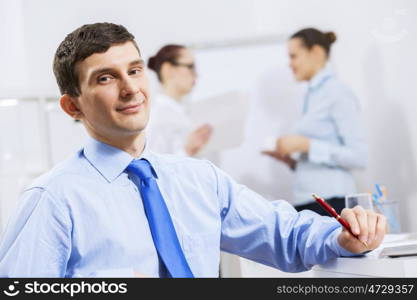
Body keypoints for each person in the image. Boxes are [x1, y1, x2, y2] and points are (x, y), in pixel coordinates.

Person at [0, 23, 384, 278]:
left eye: (134, 70)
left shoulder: (199, 180)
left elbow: (286, 236)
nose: (130, 88)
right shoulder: (52, 200)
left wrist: (340, 237)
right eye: (106, 78)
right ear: (73, 106)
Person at [263, 28, 367, 216]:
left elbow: (359, 156)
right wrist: (292, 161)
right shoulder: (310, 96)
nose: (290, 64)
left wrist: (307, 145)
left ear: (316, 52)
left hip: (332, 202)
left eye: (294, 56)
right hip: (308, 202)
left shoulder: (337, 93)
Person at [146, 45, 212, 156]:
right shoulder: (159, 117)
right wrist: (188, 150)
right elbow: (153, 168)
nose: (196, 74)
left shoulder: (176, 113)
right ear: (168, 69)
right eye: (190, 67)